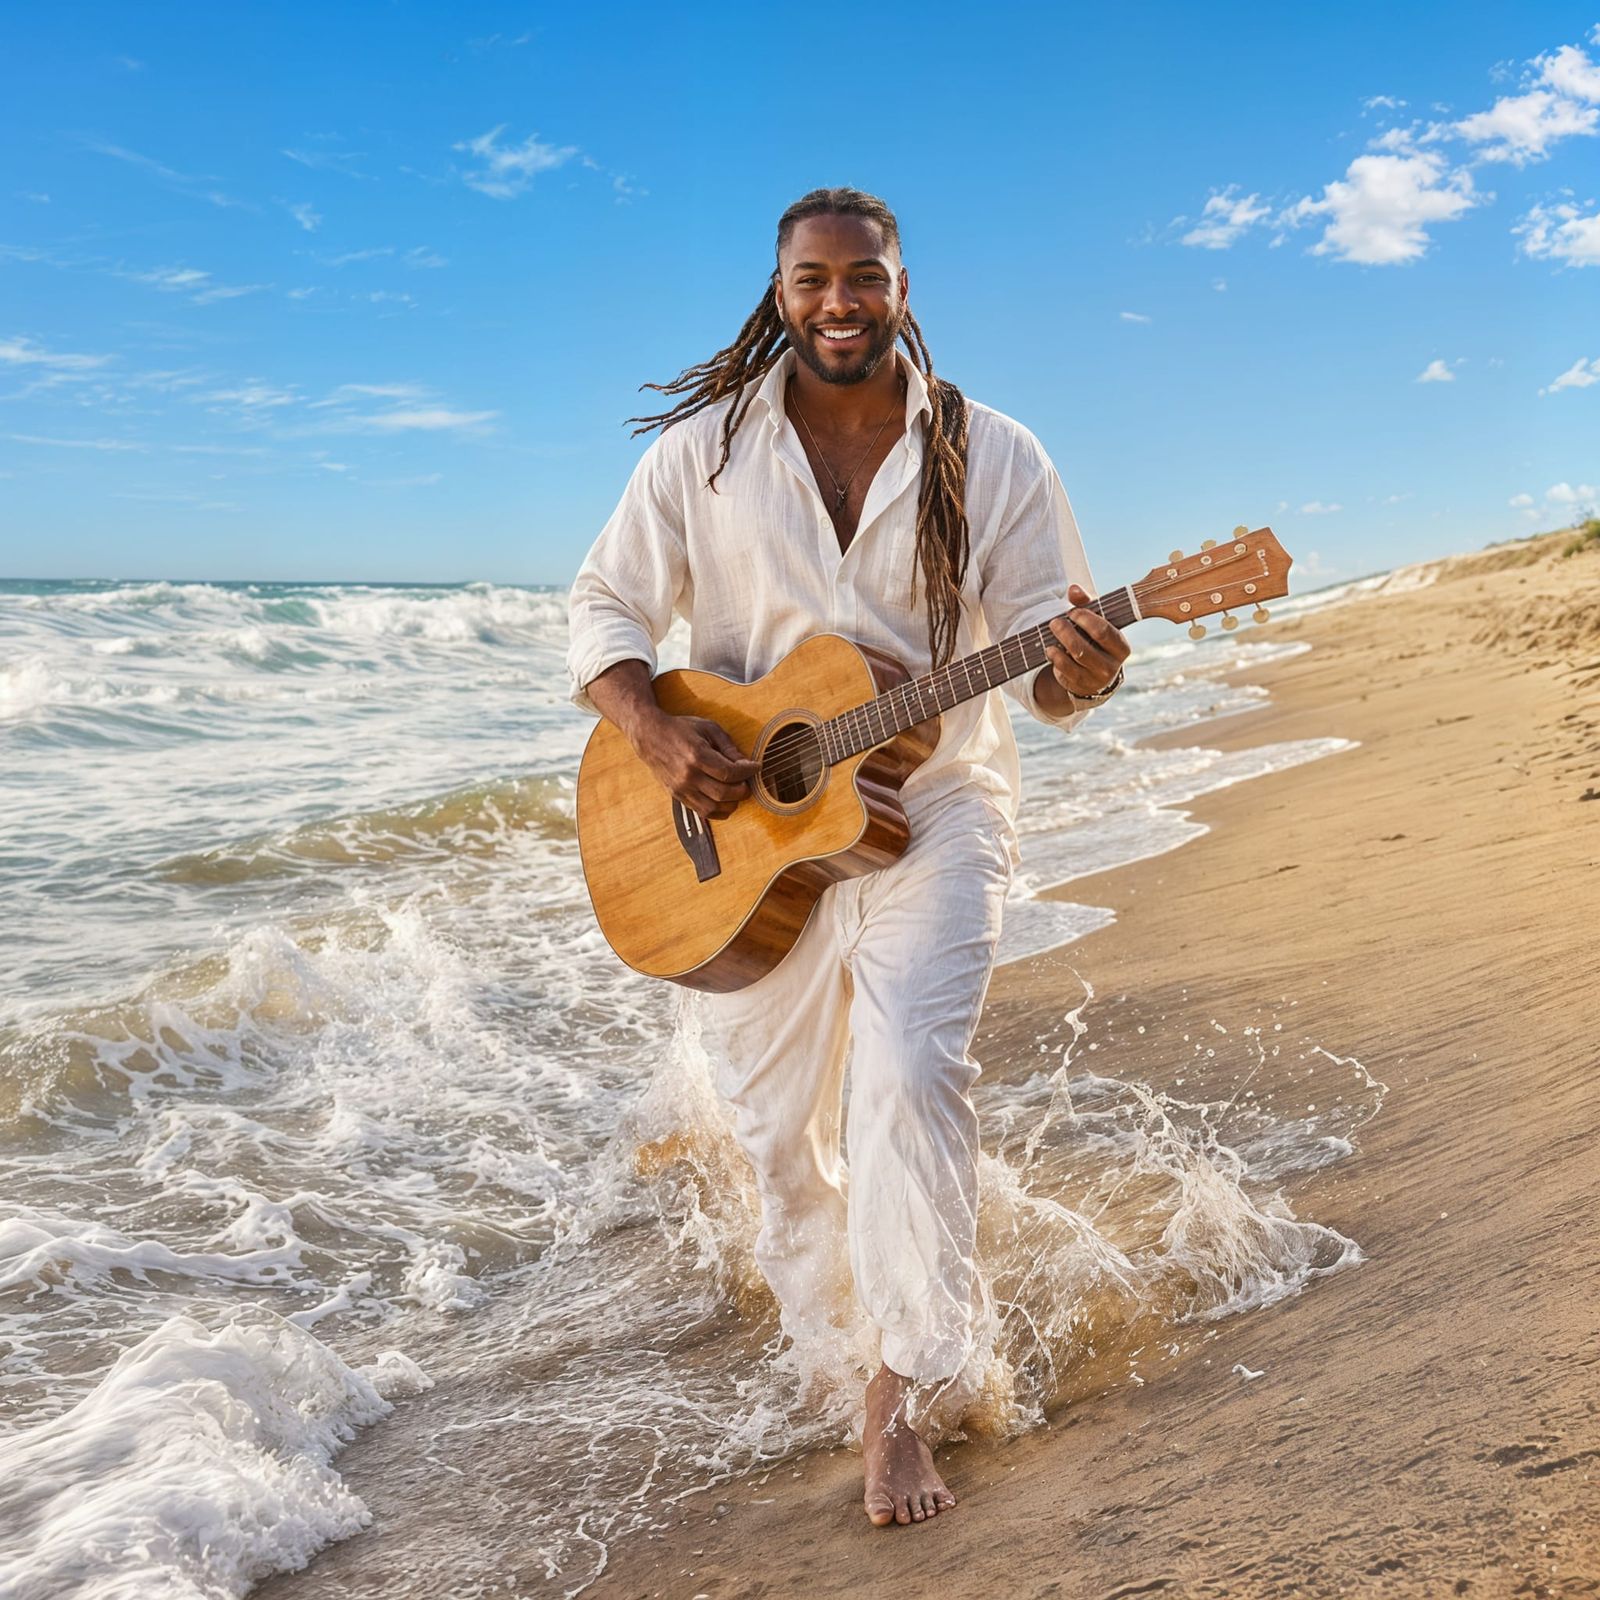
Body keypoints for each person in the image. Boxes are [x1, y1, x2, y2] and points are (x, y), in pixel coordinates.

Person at [566, 187, 1130, 1528]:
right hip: (748, 844)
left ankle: (902, 1395)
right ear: (780, 295)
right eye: (812, 280)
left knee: (907, 1078)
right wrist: (652, 731)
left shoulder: (994, 457)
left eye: (862, 277)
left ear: (901, 286)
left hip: (933, 805)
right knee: (777, 1142)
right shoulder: (699, 456)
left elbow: (1051, 685)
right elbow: (603, 606)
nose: (839, 302)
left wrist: (1086, 677)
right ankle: (834, 1347)